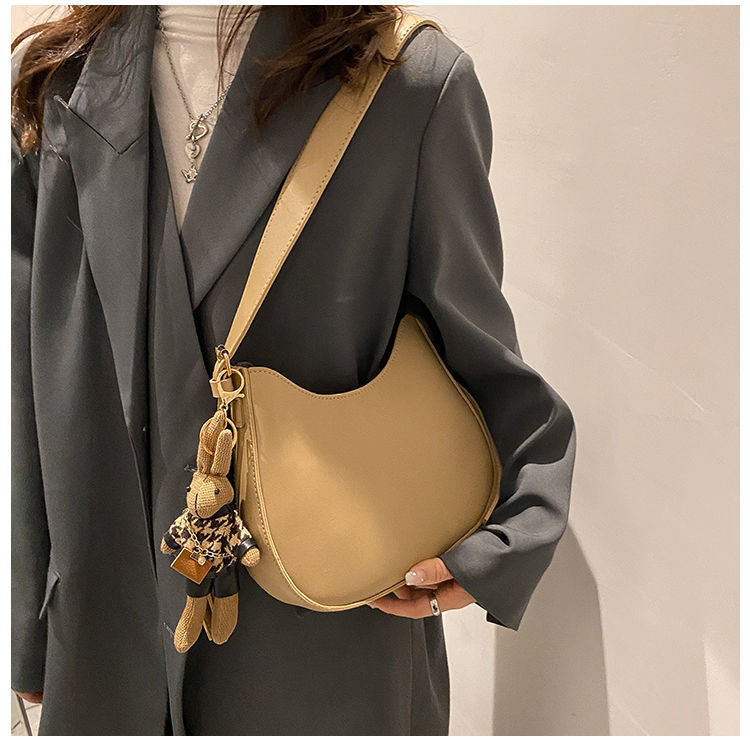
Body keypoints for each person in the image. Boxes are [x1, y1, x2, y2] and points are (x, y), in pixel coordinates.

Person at [11, 4, 577, 736]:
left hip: (323, 637)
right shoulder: (64, 82)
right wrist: (27, 630)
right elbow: (28, 373)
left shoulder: (406, 85)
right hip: (104, 633)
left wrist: (504, 544)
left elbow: (479, 355)